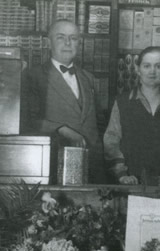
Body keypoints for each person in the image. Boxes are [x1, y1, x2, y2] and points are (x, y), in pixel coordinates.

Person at [22, 20, 105, 183]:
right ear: (48, 42)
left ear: (79, 43)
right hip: (53, 167)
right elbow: (27, 120)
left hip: (93, 170)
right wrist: (61, 129)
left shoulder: (89, 78)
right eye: (61, 37)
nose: (68, 43)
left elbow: (100, 125)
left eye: (73, 38)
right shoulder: (33, 76)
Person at [104, 46, 160, 185]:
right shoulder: (122, 102)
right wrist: (122, 174)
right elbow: (111, 143)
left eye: (158, 66)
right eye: (146, 66)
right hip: (132, 182)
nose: (152, 71)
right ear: (138, 69)